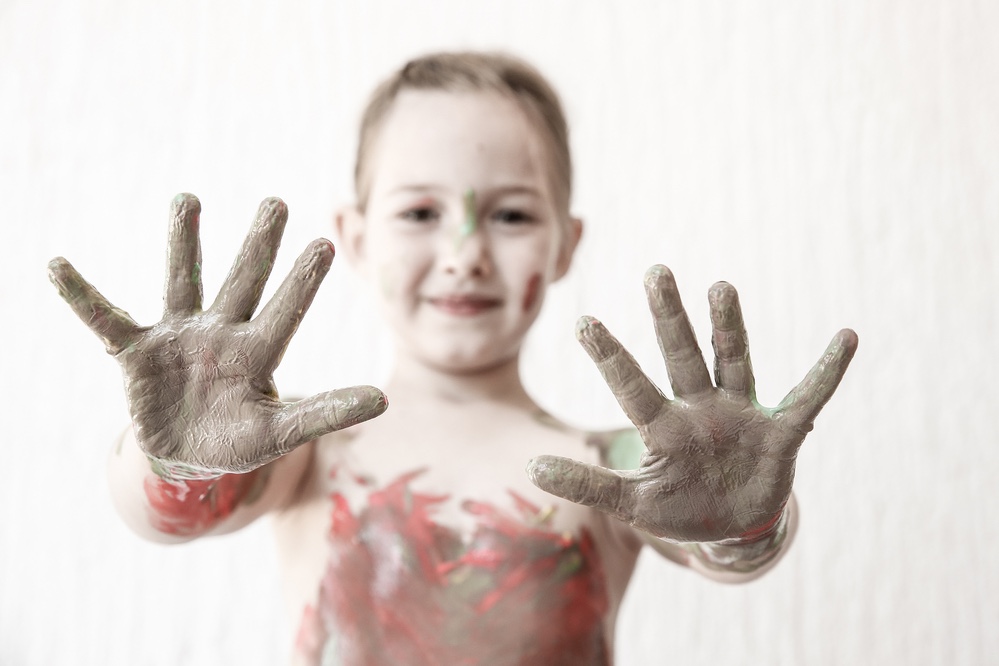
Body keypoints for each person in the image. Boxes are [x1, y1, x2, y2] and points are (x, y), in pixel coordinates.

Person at [47, 51, 858, 665]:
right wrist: (174, 464)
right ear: (357, 236)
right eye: (420, 212)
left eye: (509, 216)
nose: (464, 253)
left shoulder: (612, 469)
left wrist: (746, 518)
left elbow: (731, 552)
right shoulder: (303, 457)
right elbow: (158, 516)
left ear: (564, 243)